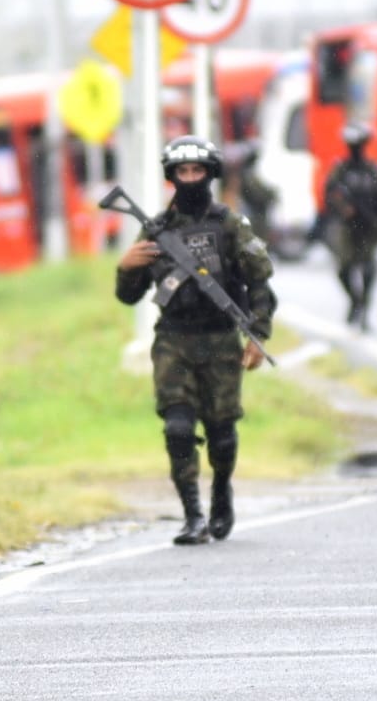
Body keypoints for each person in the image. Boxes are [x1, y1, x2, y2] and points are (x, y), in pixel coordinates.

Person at [115, 135, 277, 545]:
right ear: (172, 176)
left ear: (209, 174)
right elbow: (128, 296)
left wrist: (257, 335)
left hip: (221, 341)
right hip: (174, 341)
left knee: (222, 433)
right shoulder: (156, 229)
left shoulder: (229, 225)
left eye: (197, 171)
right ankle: (192, 514)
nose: (190, 179)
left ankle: (221, 490)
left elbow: (260, 283)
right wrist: (126, 267)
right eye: (182, 172)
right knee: (178, 428)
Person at [321, 123, 377, 331]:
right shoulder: (340, 170)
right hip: (347, 226)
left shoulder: (374, 170)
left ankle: (364, 307)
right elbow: (328, 197)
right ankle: (355, 300)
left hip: (369, 226)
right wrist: (344, 208)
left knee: (369, 268)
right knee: (343, 269)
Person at [227, 140, 280, 247]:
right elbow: (257, 192)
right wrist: (271, 195)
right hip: (254, 212)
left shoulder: (246, 174)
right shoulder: (246, 175)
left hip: (255, 211)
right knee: (258, 238)